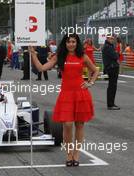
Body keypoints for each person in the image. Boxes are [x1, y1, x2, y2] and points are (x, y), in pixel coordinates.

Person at [30, 33, 99, 167]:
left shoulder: (82, 56)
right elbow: (41, 68)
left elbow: (95, 70)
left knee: (79, 125)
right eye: (68, 42)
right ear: (65, 43)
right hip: (66, 94)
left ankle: (76, 154)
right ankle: (68, 153)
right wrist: (33, 54)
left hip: (81, 94)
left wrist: (90, 82)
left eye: (73, 41)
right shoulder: (59, 57)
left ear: (76, 43)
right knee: (67, 124)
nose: (71, 44)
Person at [102, 35, 120, 110]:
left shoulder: (109, 46)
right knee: (112, 86)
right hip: (112, 68)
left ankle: (111, 103)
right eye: (111, 38)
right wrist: (117, 53)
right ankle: (110, 104)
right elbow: (115, 56)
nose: (112, 40)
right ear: (107, 39)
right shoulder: (108, 47)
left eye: (113, 39)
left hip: (111, 67)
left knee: (112, 86)